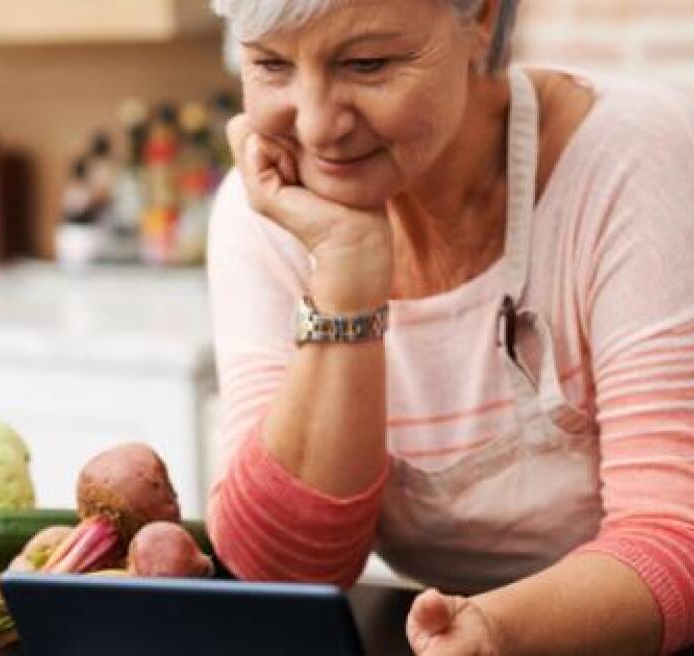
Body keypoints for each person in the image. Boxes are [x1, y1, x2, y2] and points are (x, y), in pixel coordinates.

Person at [205, 0, 694, 653]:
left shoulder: (631, 159)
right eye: (270, 64)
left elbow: (676, 539)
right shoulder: (265, 207)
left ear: (482, 18)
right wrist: (347, 275)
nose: (318, 128)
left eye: (368, 63)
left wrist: (497, 632)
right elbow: (283, 573)